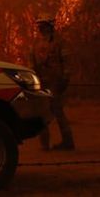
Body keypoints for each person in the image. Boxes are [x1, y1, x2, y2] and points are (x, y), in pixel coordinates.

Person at [29, 16, 75, 150]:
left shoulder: (59, 42)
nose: (40, 28)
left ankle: (68, 142)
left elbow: (66, 61)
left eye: (42, 25)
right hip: (40, 81)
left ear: (49, 26)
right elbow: (31, 62)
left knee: (57, 111)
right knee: (41, 111)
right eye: (39, 26)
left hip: (56, 81)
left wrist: (65, 78)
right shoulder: (35, 43)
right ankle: (44, 144)